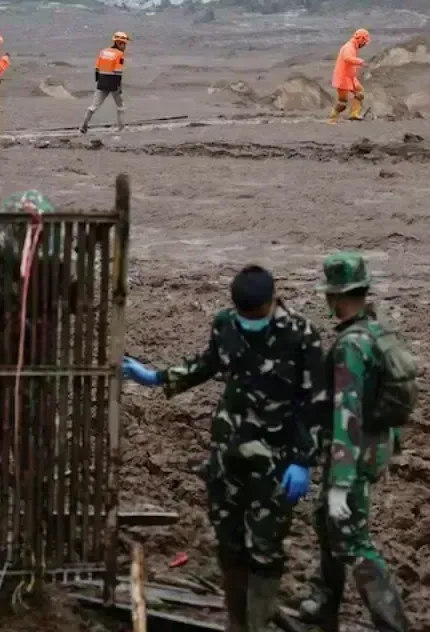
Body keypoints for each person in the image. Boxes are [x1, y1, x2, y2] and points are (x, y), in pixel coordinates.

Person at [122, 266, 325, 632]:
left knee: (265, 551)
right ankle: (237, 624)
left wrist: (303, 460)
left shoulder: (302, 336)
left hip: (275, 463)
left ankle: (257, 625)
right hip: (228, 456)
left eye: (255, 317)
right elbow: (208, 363)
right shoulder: (226, 324)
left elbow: (314, 402)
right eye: (242, 316)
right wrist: (157, 377)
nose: (248, 323)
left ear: (271, 301)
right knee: (229, 545)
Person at [299, 252, 414, 632]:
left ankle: (392, 623)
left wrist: (341, 483)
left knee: (350, 537)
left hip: (354, 451)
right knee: (324, 520)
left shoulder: (350, 347)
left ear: (335, 297)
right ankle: (325, 601)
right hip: (376, 444)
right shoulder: (379, 333)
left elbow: (346, 415)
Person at [80, 31, 129, 134]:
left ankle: (83, 126)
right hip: (113, 83)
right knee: (121, 106)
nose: (125, 46)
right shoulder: (119, 55)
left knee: (93, 106)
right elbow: (118, 72)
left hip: (102, 81)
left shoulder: (103, 52)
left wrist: (99, 81)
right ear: (120, 43)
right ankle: (121, 128)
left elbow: (97, 68)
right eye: (125, 44)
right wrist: (118, 87)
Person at [330, 29, 369, 123]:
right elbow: (347, 58)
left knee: (360, 93)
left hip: (350, 77)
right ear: (361, 39)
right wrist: (360, 62)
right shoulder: (349, 47)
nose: (364, 45)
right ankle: (332, 119)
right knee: (342, 103)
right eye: (364, 42)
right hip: (343, 78)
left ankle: (354, 114)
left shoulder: (353, 47)